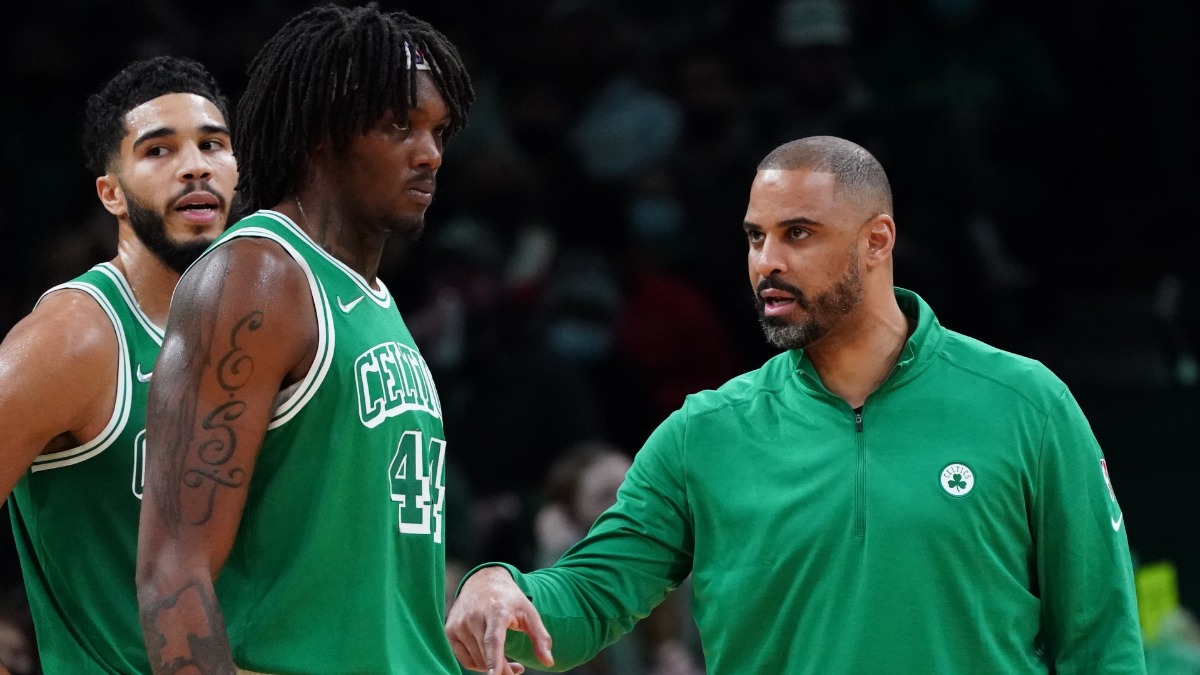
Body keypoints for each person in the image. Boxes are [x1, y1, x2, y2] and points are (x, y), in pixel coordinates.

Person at [445, 135, 1147, 674]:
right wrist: (500, 586)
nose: (766, 263)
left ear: (877, 242)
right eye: (756, 237)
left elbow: (1101, 641)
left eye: (798, 233)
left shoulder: (1027, 405)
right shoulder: (703, 433)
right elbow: (592, 593)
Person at [135, 4, 475, 674]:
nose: (430, 153)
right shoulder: (256, 278)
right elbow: (173, 569)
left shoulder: (372, 300)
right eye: (399, 126)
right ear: (322, 133)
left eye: (439, 131)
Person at [0, 55, 237, 673]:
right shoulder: (75, 337)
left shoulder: (250, 335)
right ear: (111, 193)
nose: (195, 165)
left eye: (212, 144)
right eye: (159, 150)